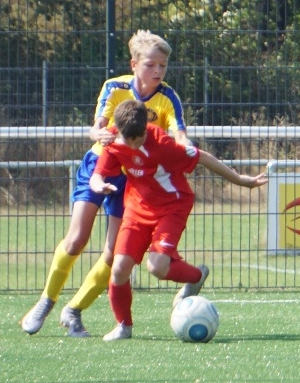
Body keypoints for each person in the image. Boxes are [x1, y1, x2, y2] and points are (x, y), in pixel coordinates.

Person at [21, 30, 192, 337]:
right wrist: (97, 134)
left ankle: (74, 310)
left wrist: (186, 147)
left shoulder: (168, 97)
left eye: (163, 66)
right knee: (76, 239)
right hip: (98, 165)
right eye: (151, 64)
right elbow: (97, 126)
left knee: (113, 254)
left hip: (132, 177)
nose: (158, 71)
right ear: (134, 64)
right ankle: (46, 301)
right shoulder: (115, 87)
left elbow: (180, 133)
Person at [90, 99, 268, 341]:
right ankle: (124, 326)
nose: (134, 145)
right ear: (119, 130)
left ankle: (196, 277)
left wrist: (240, 180)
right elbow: (97, 175)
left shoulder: (163, 144)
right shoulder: (112, 141)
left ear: (146, 128)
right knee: (119, 268)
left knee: (156, 267)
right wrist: (98, 185)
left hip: (172, 206)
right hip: (136, 208)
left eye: (139, 138)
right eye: (129, 140)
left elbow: (203, 157)